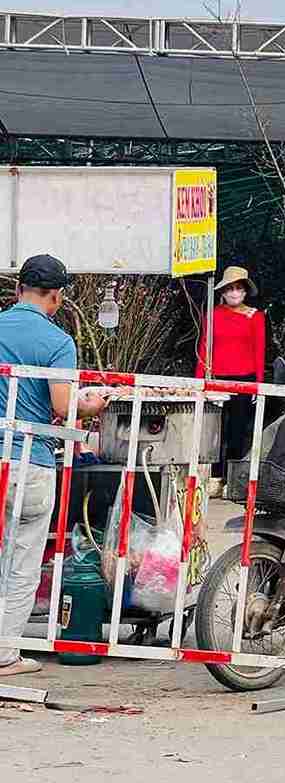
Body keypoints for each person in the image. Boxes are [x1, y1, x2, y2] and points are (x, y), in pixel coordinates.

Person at [1, 255, 107, 677]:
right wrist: (91, 405)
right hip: (31, 462)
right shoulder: (57, 342)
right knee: (22, 560)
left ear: (17, 290)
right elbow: (63, 406)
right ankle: (5, 655)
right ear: (58, 296)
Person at [196, 265, 268, 479]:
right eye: (229, 289)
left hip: (244, 379)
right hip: (217, 379)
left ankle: (232, 479)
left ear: (245, 291)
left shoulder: (256, 317)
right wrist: (200, 382)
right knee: (214, 429)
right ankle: (214, 476)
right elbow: (204, 347)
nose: (234, 293)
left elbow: (260, 352)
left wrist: (258, 384)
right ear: (223, 292)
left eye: (238, 288)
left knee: (237, 430)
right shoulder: (213, 315)